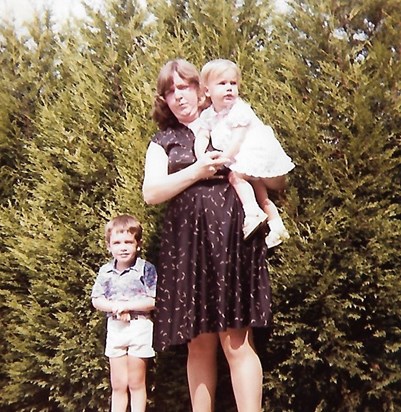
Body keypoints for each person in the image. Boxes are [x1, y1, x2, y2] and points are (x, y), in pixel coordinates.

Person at [142, 59, 289, 412]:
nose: (178, 96)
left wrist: (247, 168)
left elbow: (277, 178)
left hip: (232, 243)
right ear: (164, 99)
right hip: (188, 250)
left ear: (199, 88)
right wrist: (197, 170)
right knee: (199, 343)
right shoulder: (163, 141)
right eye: (170, 91)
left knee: (236, 339)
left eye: (184, 87)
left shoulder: (230, 123)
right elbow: (151, 193)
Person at [194, 59, 295, 248]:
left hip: (257, 152)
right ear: (207, 90)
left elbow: (238, 139)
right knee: (259, 192)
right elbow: (202, 134)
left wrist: (224, 158)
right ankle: (277, 225)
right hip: (247, 159)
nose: (229, 88)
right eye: (222, 84)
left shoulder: (240, 109)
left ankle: (252, 213)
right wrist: (201, 154)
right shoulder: (208, 115)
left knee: (235, 177)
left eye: (233, 83)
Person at [91, 214, 157, 412]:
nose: (123, 247)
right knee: (118, 384)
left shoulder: (146, 269)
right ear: (108, 246)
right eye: (117, 242)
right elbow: (97, 299)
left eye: (128, 242)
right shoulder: (105, 272)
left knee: (136, 382)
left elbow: (154, 300)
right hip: (116, 328)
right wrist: (114, 307)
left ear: (138, 244)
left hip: (139, 327)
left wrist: (127, 306)